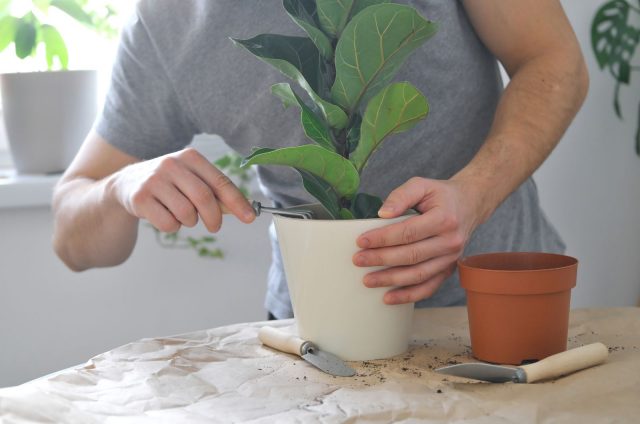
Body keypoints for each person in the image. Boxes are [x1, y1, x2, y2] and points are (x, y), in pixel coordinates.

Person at [52, 0, 588, 319]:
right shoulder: (165, 25)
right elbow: (73, 235)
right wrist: (120, 187)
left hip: (501, 303)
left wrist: (475, 194)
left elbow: (553, 58)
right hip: (313, 334)